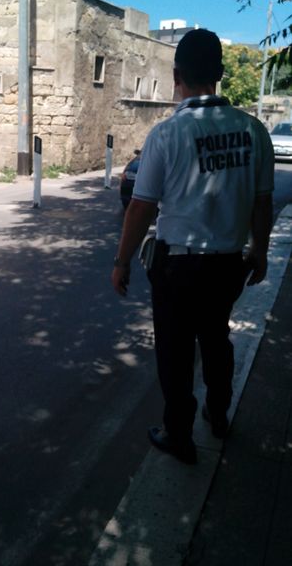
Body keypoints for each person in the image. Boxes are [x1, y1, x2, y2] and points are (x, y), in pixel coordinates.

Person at [111, 29, 274, 465]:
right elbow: (262, 202)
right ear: (220, 73)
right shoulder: (254, 130)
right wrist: (259, 251)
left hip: (177, 267)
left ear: (175, 75)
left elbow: (140, 208)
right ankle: (218, 415)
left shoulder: (166, 135)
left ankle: (179, 435)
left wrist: (122, 262)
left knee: (175, 351)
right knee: (217, 338)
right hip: (228, 264)